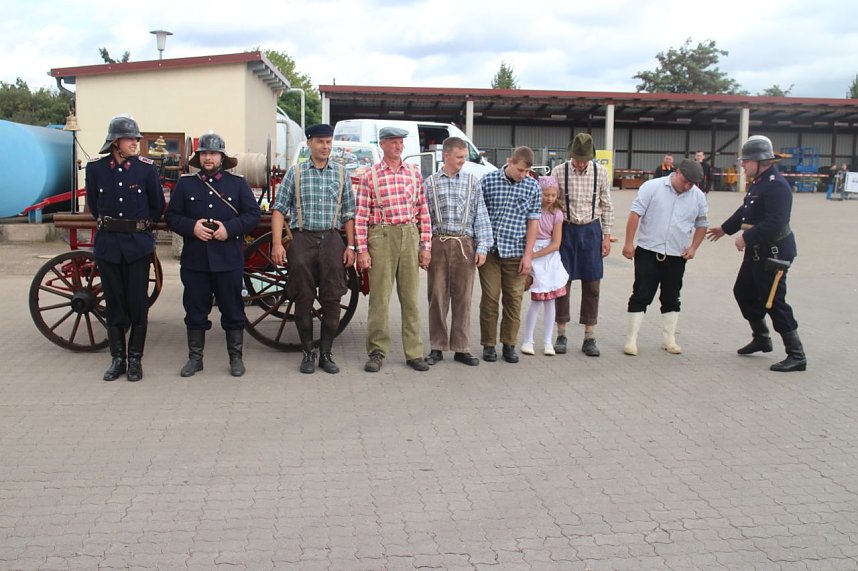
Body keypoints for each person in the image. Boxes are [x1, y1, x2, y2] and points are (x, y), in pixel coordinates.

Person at [706, 135, 806, 372]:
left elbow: (776, 221)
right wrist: (725, 229)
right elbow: (746, 209)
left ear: (760, 161)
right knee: (743, 291)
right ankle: (761, 338)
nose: (742, 164)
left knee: (773, 301)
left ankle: (796, 354)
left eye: (746, 161)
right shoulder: (760, 182)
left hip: (774, 251)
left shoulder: (777, 185)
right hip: (758, 250)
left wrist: (746, 238)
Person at [166, 132, 261, 378]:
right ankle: (195, 359)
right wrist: (192, 227)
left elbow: (253, 214)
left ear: (222, 157)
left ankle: (236, 358)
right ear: (199, 157)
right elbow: (172, 216)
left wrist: (229, 229)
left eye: (213, 153)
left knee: (233, 310)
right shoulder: (186, 184)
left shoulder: (237, 183)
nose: (208, 158)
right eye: (204, 153)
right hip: (195, 261)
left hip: (228, 259)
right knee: (195, 310)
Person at [270, 123, 356, 374]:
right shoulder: (295, 173)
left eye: (328, 142)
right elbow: (279, 209)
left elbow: (349, 213)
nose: (325, 147)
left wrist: (351, 246)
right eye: (320, 142)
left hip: (331, 240)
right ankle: (308, 352)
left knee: (332, 298)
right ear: (309, 143)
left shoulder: (341, 173)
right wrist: (277, 243)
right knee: (303, 298)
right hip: (302, 239)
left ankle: (326, 354)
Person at [85, 114, 164, 382]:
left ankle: (135, 360)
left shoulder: (146, 169)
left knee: (137, 305)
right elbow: (94, 205)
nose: (135, 143)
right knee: (115, 304)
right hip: (108, 246)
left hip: (137, 246)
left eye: (136, 139)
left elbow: (157, 206)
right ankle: (117, 358)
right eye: (130, 139)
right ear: (115, 142)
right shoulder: (96, 169)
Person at [354, 126, 432, 372]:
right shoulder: (370, 176)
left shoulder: (414, 173)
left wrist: (425, 246)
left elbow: (423, 210)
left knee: (410, 299)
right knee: (379, 299)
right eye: (393, 142)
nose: (398, 146)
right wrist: (362, 250)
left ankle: (414, 353)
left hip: (409, 233)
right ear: (382, 145)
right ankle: (377, 351)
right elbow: (361, 216)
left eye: (400, 142)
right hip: (381, 235)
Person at [622, 159, 709, 356]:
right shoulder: (652, 187)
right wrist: (628, 243)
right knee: (641, 293)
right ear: (677, 173)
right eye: (685, 181)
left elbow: (702, 224)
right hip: (648, 251)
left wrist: (694, 247)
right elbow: (635, 214)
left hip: (677, 254)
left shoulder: (698, 196)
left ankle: (669, 339)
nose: (687, 187)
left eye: (692, 184)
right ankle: (631, 339)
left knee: (672, 296)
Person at [424, 137, 493, 367]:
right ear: (446, 156)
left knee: (463, 298)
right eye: (459, 157)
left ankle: (461, 348)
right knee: (437, 296)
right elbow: (424, 218)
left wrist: (482, 246)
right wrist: (424, 248)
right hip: (439, 242)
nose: (463, 161)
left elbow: (480, 215)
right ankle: (437, 346)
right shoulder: (430, 183)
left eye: (464, 157)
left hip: (465, 244)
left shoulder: (473, 182)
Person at [550, 133, 614, 357]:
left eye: (584, 160)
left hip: (591, 230)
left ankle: (589, 335)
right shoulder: (559, 171)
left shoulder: (600, 172)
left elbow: (607, 205)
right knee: (562, 283)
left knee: (592, 284)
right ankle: (561, 333)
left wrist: (606, 236)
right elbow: (550, 202)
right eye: (577, 159)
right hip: (566, 230)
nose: (580, 163)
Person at [478, 146, 541, 363]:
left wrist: (528, 255)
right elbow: (479, 215)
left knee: (514, 300)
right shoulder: (488, 181)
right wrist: (480, 246)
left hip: (516, 253)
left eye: (527, 171)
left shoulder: (533, 187)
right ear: (510, 161)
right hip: (491, 252)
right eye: (520, 170)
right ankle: (488, 344)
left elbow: (533, 223)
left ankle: (509, 343)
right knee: (490, 298)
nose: (523, 175)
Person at [520, 176, 568, 356]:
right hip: (533, 252)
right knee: (537, 300)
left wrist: (534, 255)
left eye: (553, 195)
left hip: (549, 257)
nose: (549, 198)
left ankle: (548, 341)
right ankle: (528, 340)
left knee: (550, 300)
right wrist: (529, 255)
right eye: (546, 194)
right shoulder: (532, 209)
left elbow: (556, 243)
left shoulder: (557, 214)